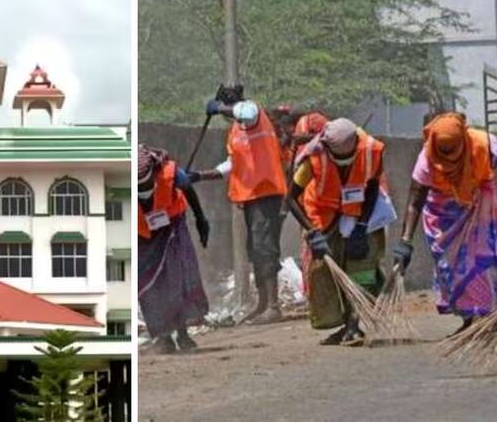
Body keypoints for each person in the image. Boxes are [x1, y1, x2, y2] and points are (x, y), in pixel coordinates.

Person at [394, 112, 497, 336]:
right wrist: (405, 241)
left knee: (481, 266)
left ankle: (483, 319)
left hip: (479, 216)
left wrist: (483, 178)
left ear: (464, 140)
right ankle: (468, 320)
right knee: (451, 270)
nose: (447, 156)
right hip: (443, 222)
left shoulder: (481, 143)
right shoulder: (426, 158)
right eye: (443, 151)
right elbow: (415, 200)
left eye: (452, 149)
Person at [287, 118, 392, 346]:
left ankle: (354, 325)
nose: (344, 164)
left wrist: (362, 227)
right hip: (324, 218)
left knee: (361, 269)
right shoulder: (313, 158)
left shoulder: (371, 151)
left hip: (361, 212)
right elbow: (290, 199)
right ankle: (345, 325)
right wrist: (312, 233)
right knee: (328, 273)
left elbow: (373, 187)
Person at [188, 87, 288, 325]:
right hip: (251, 196)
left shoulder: (253, 115)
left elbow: (247, 110)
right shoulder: (236, 130)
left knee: (265, 248)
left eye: (225, 110)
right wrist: (200, 176)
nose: (224, 115)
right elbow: (232, 163)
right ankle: (263, 304)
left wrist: (219, 106)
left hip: (267, 192)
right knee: (254, 249)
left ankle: (273, 306)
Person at [138, 144, 210, 353]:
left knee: (177, 279)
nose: (144, 191)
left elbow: (188, 188)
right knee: (150, 286)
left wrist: (200, 219)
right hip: (143, 237)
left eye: (146, 185)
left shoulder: (171, 173)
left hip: (171, 229)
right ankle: (163, 336)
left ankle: (183, 334)